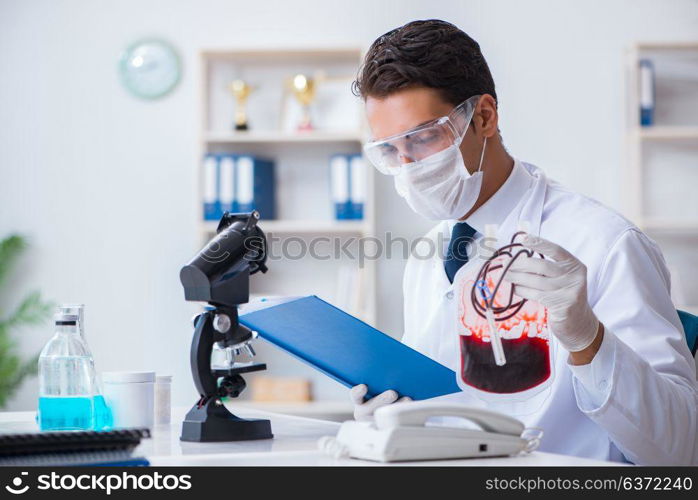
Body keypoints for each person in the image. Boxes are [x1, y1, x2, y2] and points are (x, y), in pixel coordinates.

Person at [348, 19, 698, 465]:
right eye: (389, 150)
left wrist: (588, 339)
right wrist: (394, 418)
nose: (407, 165)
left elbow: (680, 448)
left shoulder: (606, 242)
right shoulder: (428, 254)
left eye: (421, 138)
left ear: (484, 117)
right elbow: (448, 408)